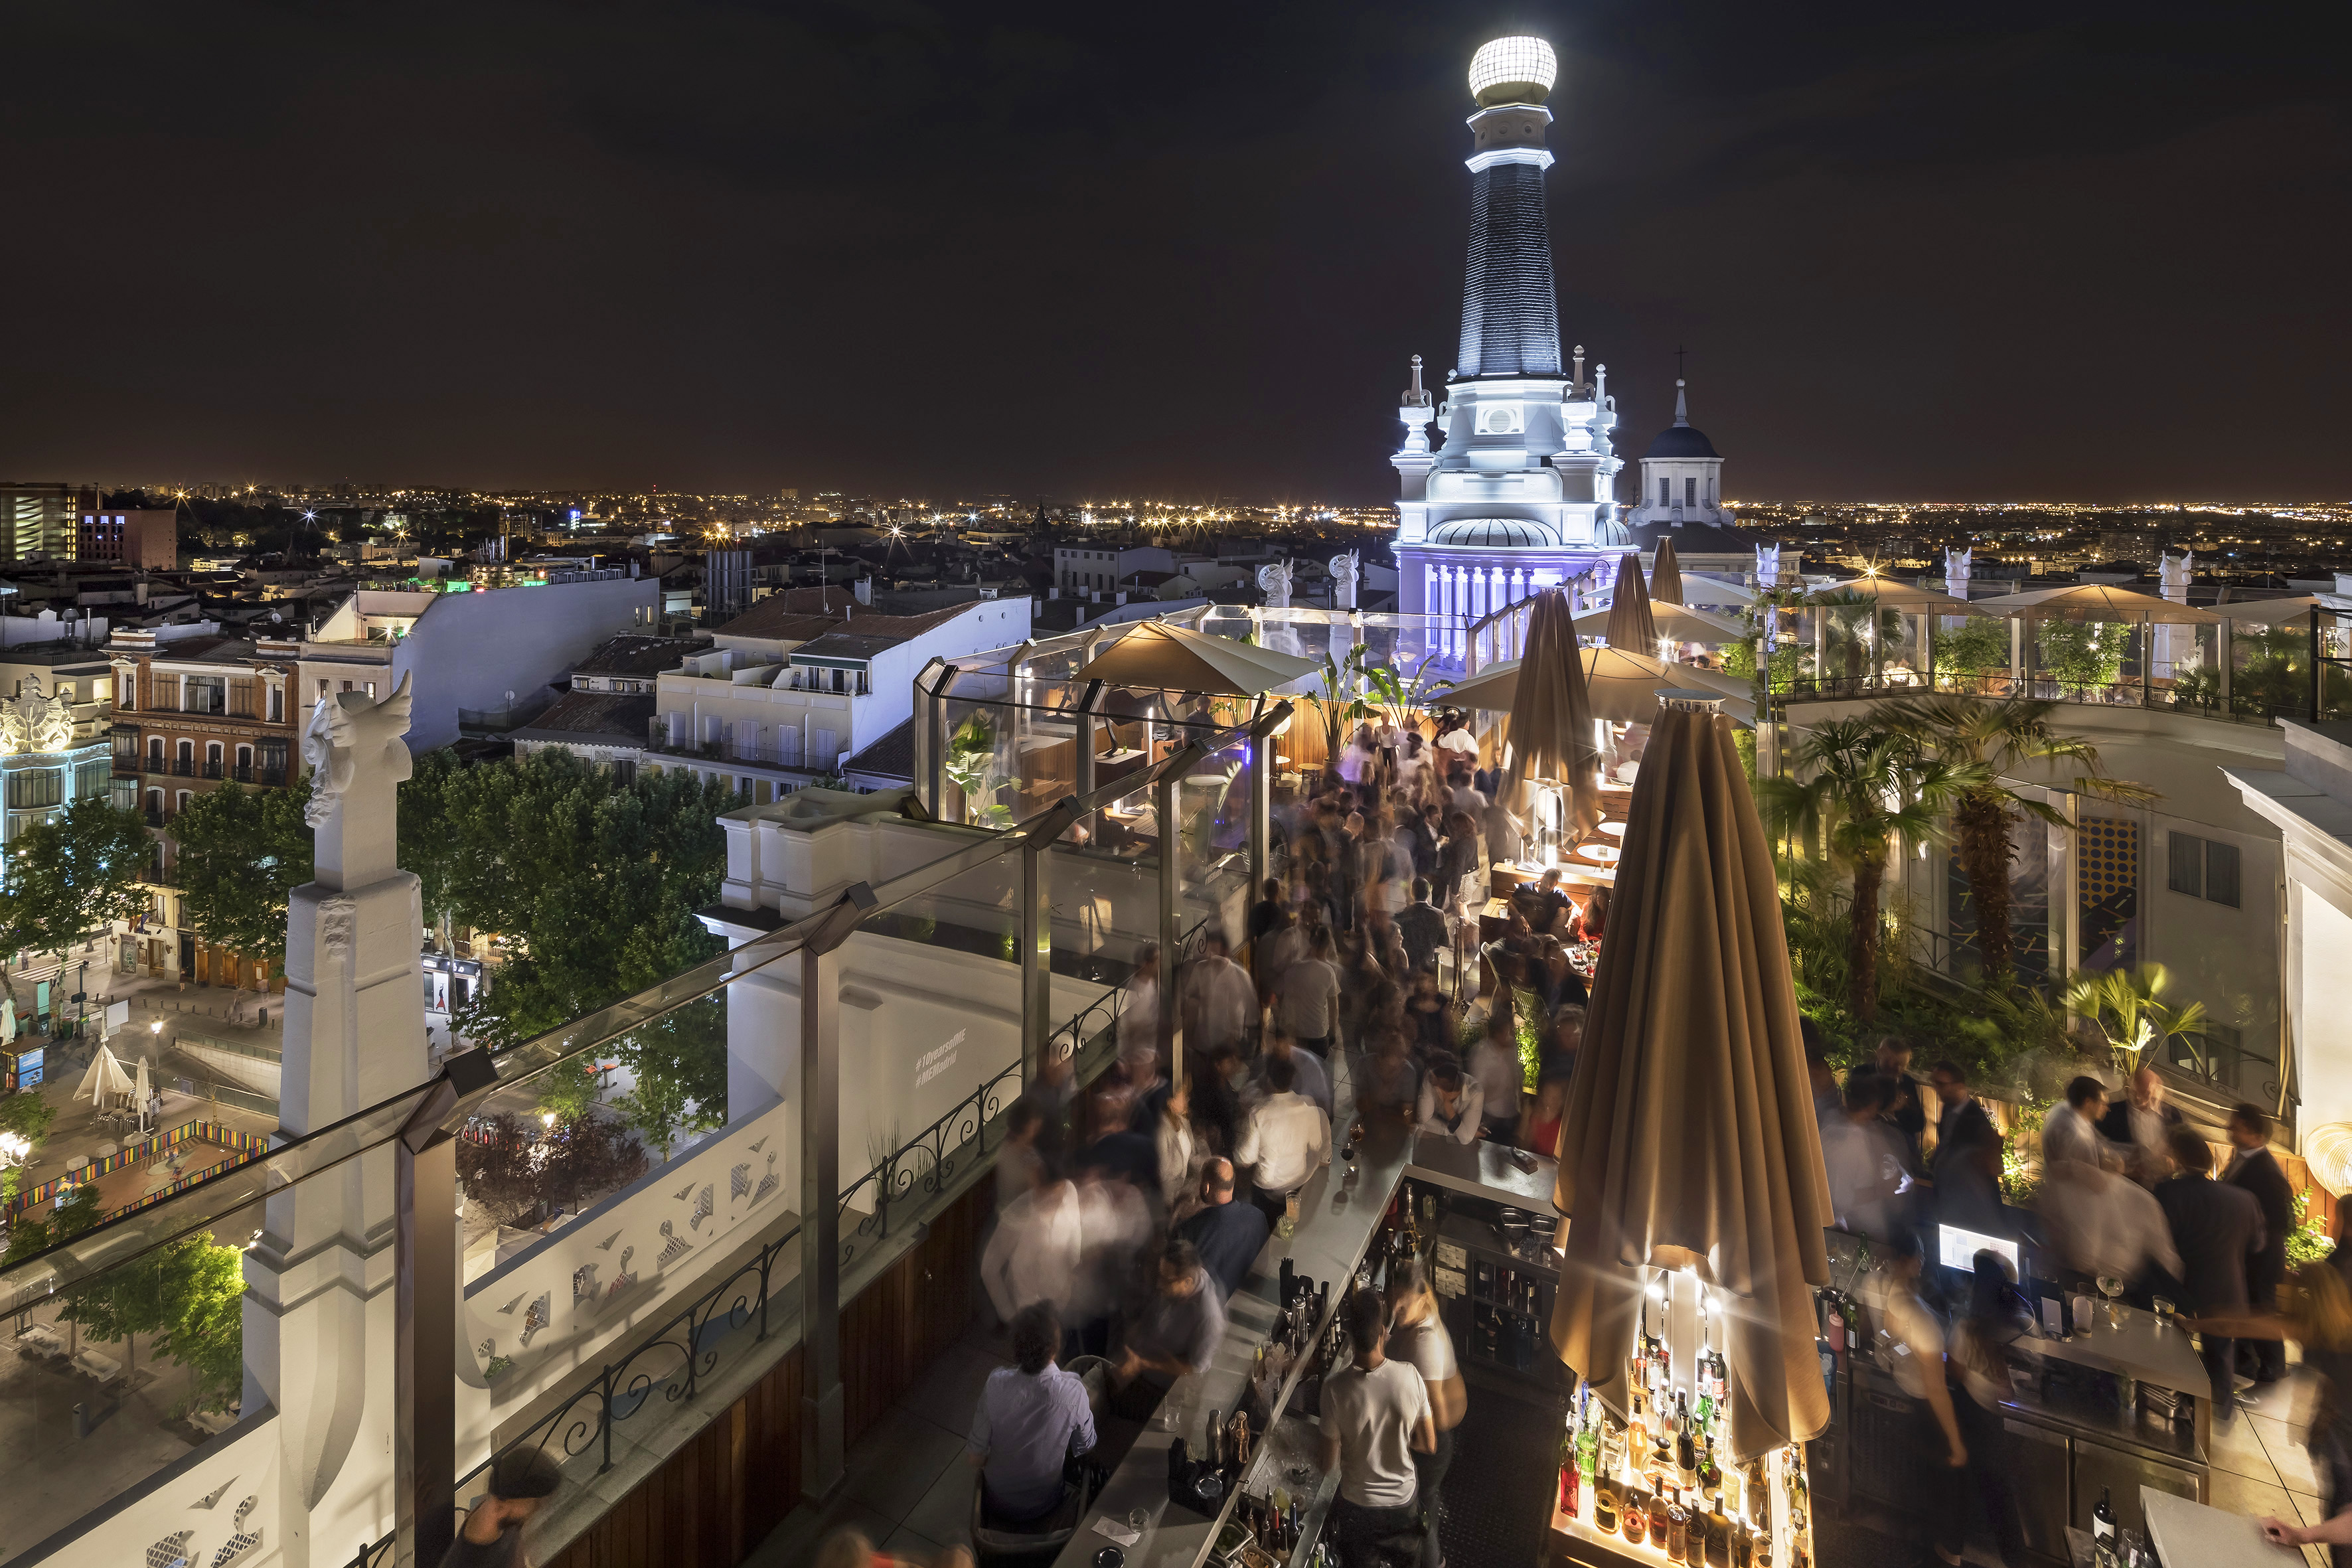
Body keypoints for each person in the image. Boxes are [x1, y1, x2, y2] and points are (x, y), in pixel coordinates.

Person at [2193, 1263, 2352, 1565]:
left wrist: (2301, 1535)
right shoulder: (2331, 1329)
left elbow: (2239, 1325)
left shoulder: (2312, 1328)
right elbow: (2244, 1323)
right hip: (2339, 1448)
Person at [2152, 1123, 2266, 1425]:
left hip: (2181, 1288)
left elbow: (2157, 1242)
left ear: (2175, 1157)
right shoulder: (2244, 1200)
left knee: (2176, 1355)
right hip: (2228, 1288)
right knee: (2220, 1358)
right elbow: (2258, 1244)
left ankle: (2180, 1414)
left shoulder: (2166, 1192)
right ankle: (2222, 1414)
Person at [1318, 1288, 1437, 1568]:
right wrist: (1395, 1441)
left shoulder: (1334, 1389)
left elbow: (1327, 1464)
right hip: (1402, 1505)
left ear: (1349, 1335)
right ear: (1383, 1332)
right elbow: (1429, 1444)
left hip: (1358, 1508)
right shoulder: (1410, 1377)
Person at [1879, 1234, 1968, 1567]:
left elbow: (1889, 1337)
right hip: (1927, 1409)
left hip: (1904, 1395)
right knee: (1946, 1492)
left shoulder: (1889, 1289)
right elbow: (1936, 1390)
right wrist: (1957, 1442)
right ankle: (1945, 1555)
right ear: (1908, 1260)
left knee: (1916, 1488)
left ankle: (1915, 1546)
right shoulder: (1925, 1325)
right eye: (1919, 1255)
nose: (1923, 1260)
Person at [967, 1302, 1097, 1526]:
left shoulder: (995, 1384)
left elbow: (975, 1457)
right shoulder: (1074, 1393)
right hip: (1046, 1504)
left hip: (997, 1502)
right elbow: (1085, 1447)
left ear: (1016, 1347)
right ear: (1056, 1348)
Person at [1946, 1251, 2035, 1568]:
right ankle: (2016, 1561)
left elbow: (1954, 1373)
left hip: (1972, 1414)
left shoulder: (1967, 1329)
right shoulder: (2018, 1320)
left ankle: (1952, 1552)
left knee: (1962, 1487)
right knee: (2000, 1496)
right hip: (1995, 1418)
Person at [1385, 1259, 1465, 1568]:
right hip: (1430, 1443)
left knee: (1423, 1511)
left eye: (1401, 1307)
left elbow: (1438, 1414)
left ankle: (1435, 1564)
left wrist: (1405, 1439)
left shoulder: (1425, 1344)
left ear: (1419, 1299)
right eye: (1392, 1305)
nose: (1395, 1313)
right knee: (1425, 1503)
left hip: (1432, 1447)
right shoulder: (1422, 1312)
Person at [2037, 1148, 2183, 1296]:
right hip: (2090, 1284)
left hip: (2091, 1284)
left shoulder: (2067, 1183)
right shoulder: (2145, 1201)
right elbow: (2169, 1261)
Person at [2227, 1101, 2296, 1385]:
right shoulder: (2243, 1158)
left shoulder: (2267, 1171)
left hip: (2262, 1254)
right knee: (2247, 1305)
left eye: (2236, 1127)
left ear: (2254, 1134)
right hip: (2248, 1251)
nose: (2229, 1130)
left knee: (2262, 1308)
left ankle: (2274, 1364)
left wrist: (2251, 1239)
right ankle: (2245, 1358)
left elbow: (2279, 1220)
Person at [1117, 1239, 1227, 1388]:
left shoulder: (1210, 1319)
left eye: (1166, 1280)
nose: (1159, 1284)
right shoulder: (1185, 1277)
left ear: (1187, 1283)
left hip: (1160, 1389)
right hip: (1140, 1357)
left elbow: (1193, 1369)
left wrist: (1142, 1364)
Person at [1235, 1056, 1331, 1225]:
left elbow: (1244, 1158)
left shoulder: (1259, 1114)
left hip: (1270, 1192)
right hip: (1302, 1182)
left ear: (1269, 1079)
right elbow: (1319, 1149)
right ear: (1291, 1079)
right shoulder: (1309, 1105)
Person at [980, 1176, 1082, 1324]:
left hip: (1061, 1309)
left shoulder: (1070, 1191)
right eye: (1049, 1193)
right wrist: (1010, 1316)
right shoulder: (1019, 1215)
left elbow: (1075, 1234)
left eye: (1059, 1191)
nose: (1058, 1199)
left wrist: (1074, 1274)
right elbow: (989, 1268)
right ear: (1035, 1183)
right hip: (1028, 1317)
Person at [441, 1448, 563, 1568]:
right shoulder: (480, 1545)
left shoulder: (502, 1509)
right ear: (507, 1502)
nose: (540, 1508)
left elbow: (514, 1536)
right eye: (536, 1502)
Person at [1822, 1073, 1907, 1242]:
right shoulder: (1849, 1141)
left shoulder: (1830, 1127)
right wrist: (1882, 1190)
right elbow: (1840, 1199)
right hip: (1860, 1234)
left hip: (1860, 1230)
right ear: (1874, 1105)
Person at [1925, 1059, 2005, 1235]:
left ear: (1959, 1086)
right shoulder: (1949, 1108)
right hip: (1951, 1196)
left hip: (1970, 1205)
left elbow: (1991, 1164)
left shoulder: (1976, 1121)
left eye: (1941, 1084)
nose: (1936, 1088)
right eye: (1934, 1083)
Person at [1176, 1157, 1271, 1300]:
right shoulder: (1258, 1217)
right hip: (1250, 1298)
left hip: (1214, 1307)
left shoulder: (1189, 1230)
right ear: (1232, 1184)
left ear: (1207, 1187)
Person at [1180, 930, 1259, 1059]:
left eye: (1215, 949)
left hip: (1228, 1045)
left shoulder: (1240, 975)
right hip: (1203, 1042)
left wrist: (1246, 1043)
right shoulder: (1200, 969)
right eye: (1208, 949)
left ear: (1225, 951)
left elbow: (1252, 1013)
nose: (1210, 954)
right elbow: (1189, 995)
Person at [2097, 1065, 2184, 1180]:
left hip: (2163, 1186)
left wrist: (2172, 1160)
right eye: (2134, 1092)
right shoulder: (2110, 1113)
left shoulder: (2173, 1115)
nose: (2138, 1097)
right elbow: (2098, 1148)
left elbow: (2182, 1150)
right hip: (2124, 1185)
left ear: (2158, 1091)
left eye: (2145, 1093)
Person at [1273, 925, 1343, 1058]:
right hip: (1316, 1033)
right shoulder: (1328, 972)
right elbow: (1334, 1006)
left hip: (1291, 1032)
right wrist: (1333, 1032)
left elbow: (1280, 997)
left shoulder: (1292, 968)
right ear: (1327, 946)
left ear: (1311, 943)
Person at [1466, 1000, 1523, 1147]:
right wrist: (1501, 1087)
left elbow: (1518, 1077)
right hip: (1491, 1116)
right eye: (1506, 1031)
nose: (1510, 1034)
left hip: (1512, 1113)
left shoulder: (1512, 1049)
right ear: (1496, 1034)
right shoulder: (1481, 1054)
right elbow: (1477, 1091)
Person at [1872, 1036, 1928, 1173]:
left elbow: (1919, 1124)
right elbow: (1859, 1116)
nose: (1899, 1069)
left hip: (1904, 1153)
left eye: (1903, 1065)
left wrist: (1908, 1107)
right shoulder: (1863, 1076)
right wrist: (1890, 1109)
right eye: (1895, 1063)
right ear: (1881, 1054)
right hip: (1876, 1153)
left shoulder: (1907, 1082)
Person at [2041, 1075, 2111, 1170]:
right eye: (2103, 1104)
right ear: (2088, 1102)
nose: (2107, 1109)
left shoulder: (2065, 1110)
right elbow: (2084, 1176)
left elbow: (2099, 1143)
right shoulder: (2073, 1133)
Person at [1261, 1029, 1333, 1121]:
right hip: (1281, 1113)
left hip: (1308, 1115)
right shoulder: (1270, 1058)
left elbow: (1323, 1098)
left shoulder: (1310, 1063)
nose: (1279, 1051)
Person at [1415, 1057, 1483, 1146]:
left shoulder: (1475, 1092)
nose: (1428, 1074)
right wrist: (1453, 1131)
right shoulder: (1431, 1079)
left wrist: (1450, 1111)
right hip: (1428, 1141)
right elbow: (1424, 1120)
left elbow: (1466, 1139)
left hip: (1458, 1150)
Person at [1397, 878, 1448, 978]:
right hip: (1427, 960)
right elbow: (1445, 941)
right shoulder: (1439, 914)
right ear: (1429, 892)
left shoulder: (1404, 914)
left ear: (1412, 893)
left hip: (1409, 962)